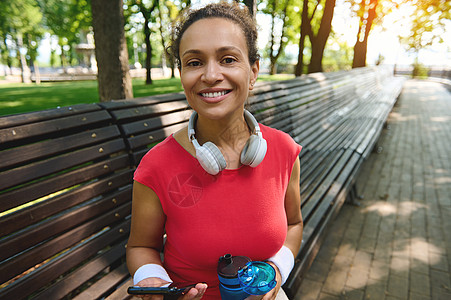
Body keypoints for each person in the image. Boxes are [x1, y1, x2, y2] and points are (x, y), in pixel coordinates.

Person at [126, 2, 303, 299]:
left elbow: (295, 224)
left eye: (228, 59)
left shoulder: (284, 150)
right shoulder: (155, 166)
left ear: (253, 71)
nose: (210, 75)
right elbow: (141, 247)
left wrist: (276, 270)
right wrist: (152, 280)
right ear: (182, 74)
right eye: (194, 62)